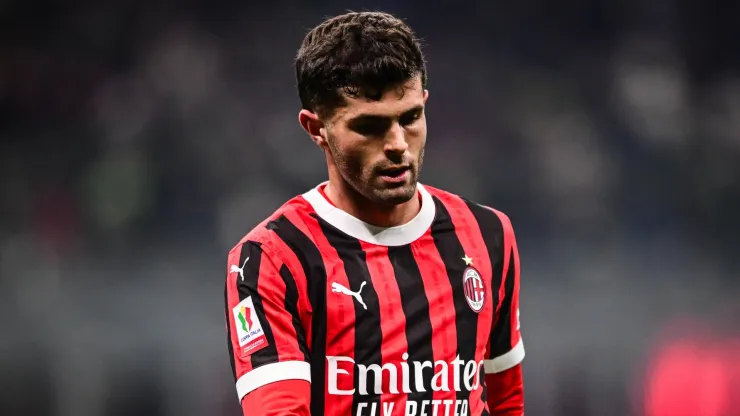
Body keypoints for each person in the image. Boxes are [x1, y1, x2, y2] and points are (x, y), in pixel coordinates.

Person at [224, 11, 525, 416]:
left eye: (410, 117)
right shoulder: (270, 260)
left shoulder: (489, 235)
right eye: (370, 126)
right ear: (316, 129)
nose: (398, 143)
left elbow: (505, 400)